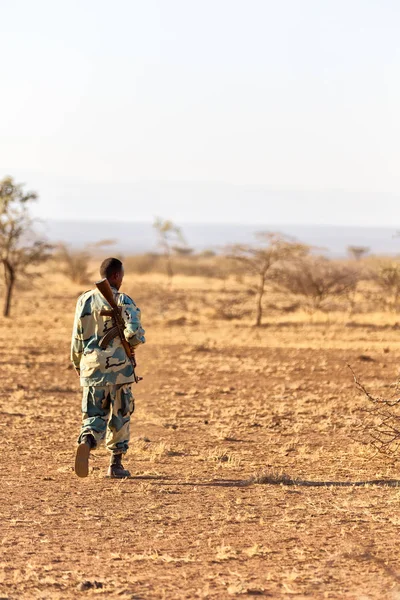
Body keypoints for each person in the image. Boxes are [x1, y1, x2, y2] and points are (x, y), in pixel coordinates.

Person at [71, 257, 145, 479]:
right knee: (120, 415)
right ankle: (115, 464)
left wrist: (78, 364)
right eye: (121, 276)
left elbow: (77, 337)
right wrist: (131, 344)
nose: (122, 280)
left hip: (92, 368)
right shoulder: (124, 300)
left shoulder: (84, 300)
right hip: (119, 370)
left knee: (94, 414)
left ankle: (88, 440)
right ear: (115, 276)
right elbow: (135, 335)